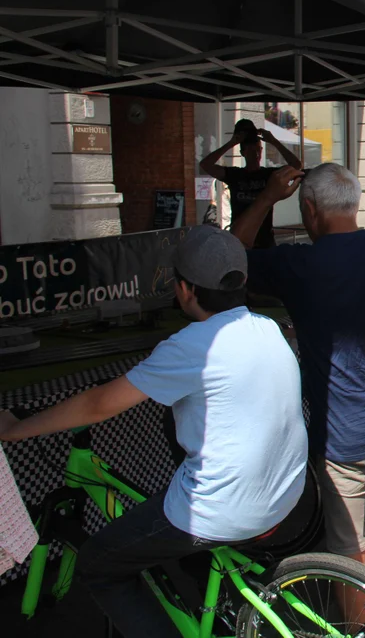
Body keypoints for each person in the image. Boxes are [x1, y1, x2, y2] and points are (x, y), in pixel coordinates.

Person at [0, 226, 308, 638]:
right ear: (243, 281)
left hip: (222, 509)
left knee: (99, 565)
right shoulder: (268, 327)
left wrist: (19, 429)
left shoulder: (193, 345)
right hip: (286, 494)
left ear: (183, 290)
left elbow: (97, 405)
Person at [230, 164, 365, 636]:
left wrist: (266, 197)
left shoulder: (298, 264)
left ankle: (357, 632)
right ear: (354, 204)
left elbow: (230, 254)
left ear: (310, 209)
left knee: (351, 554)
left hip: (343, 433)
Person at [199, 119, 303, 249]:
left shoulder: (268, 175)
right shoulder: (235, 175)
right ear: (243, 153)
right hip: (241, 238)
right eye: (252, 151)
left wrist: (273, 141)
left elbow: (296, 165)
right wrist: (232, 143)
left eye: (259, 150)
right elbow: (205, 165)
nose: (257, 154)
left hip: (265, 240)